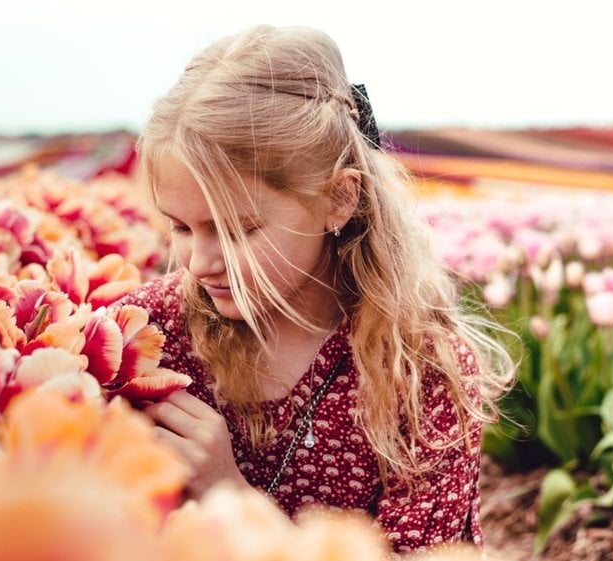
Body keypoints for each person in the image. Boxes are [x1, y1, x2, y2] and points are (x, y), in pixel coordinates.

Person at [112, 24, 515, 555]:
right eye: (182, 228)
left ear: (338, 200)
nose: (200, 263)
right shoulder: (142, 335)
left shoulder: (418, 371)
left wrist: (231, 497)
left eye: (237, 230)